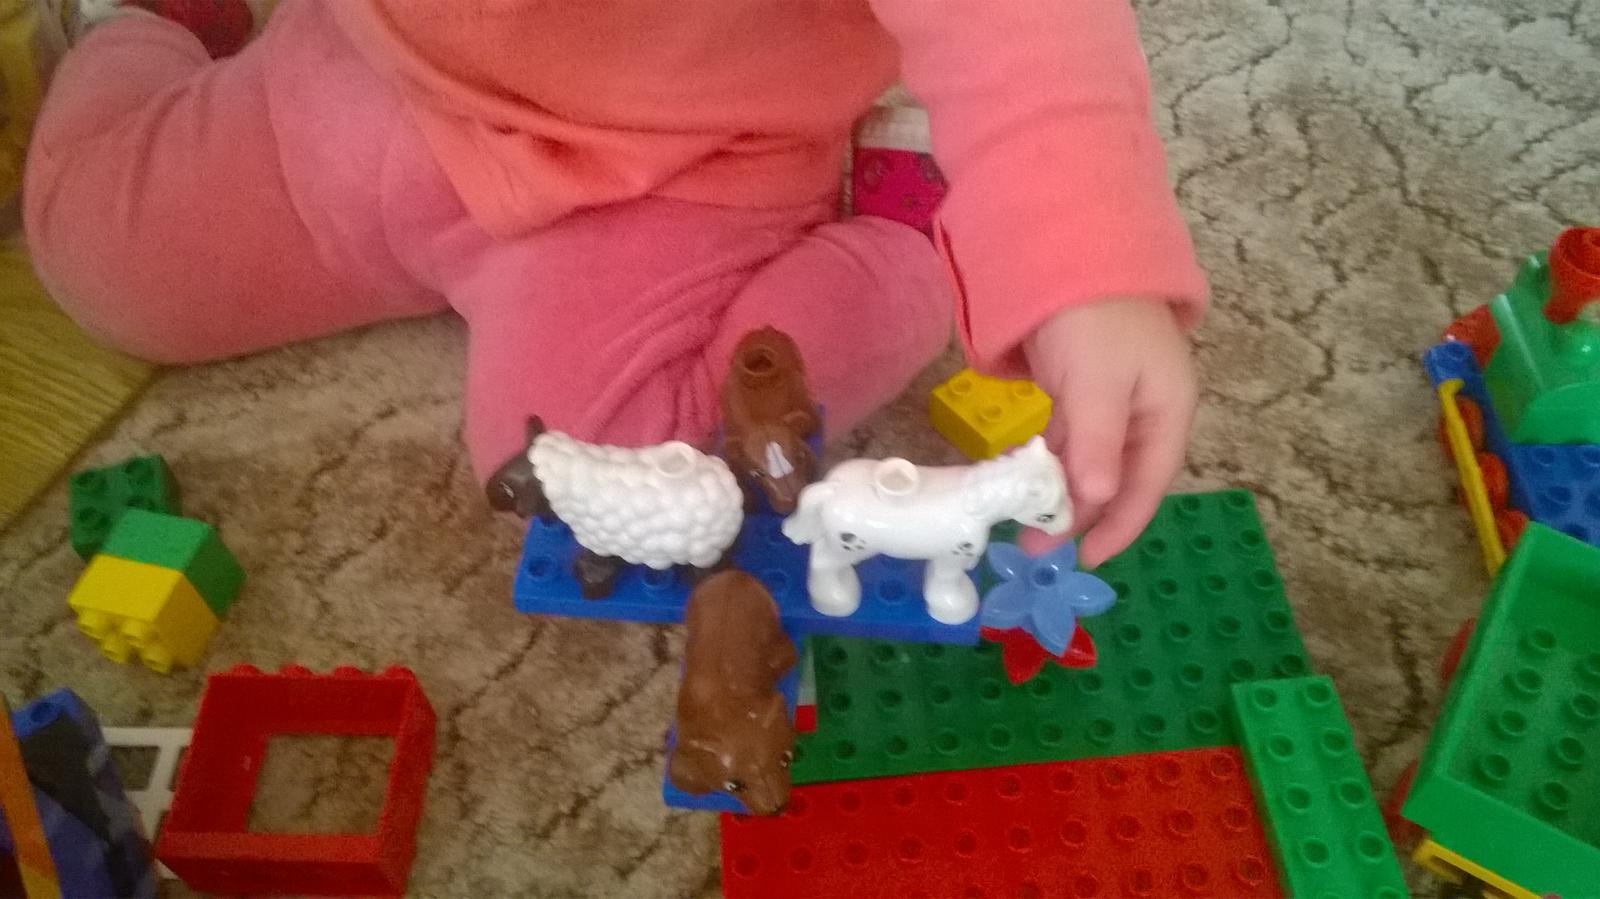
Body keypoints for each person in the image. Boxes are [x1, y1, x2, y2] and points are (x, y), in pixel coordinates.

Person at [25, 0, 1205, 567]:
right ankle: (160, 20)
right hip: (371, 63)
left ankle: (905, 252)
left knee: (626, 476)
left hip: (687, 155)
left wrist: (1077, 249)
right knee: (102, 262)